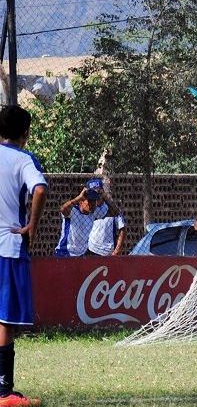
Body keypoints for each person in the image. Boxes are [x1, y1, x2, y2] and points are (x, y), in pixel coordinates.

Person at [0, 106, 47, 406]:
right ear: (25, 133)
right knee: (5, 319)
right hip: (8, 247)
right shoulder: (23, 159)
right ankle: (4, 392)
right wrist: (32, 225)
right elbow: (40, 189)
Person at [54, 178, 119, 257]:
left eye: (94, 201)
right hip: (65, 252)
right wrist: (79, 197)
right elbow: (62, 209)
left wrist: (104, 195)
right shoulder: (73, 210)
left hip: (81, 255)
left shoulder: (94, 213)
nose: (92, 204)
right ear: (81, 201)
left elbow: (115, 212)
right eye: (89, 201)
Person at [87, 177, 126, 256]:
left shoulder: (112, 208)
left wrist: (117, 250)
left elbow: (122, 229)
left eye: (98, 192)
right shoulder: (88, 208)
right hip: (91, 249)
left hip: (109, 251)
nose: (96, 195)